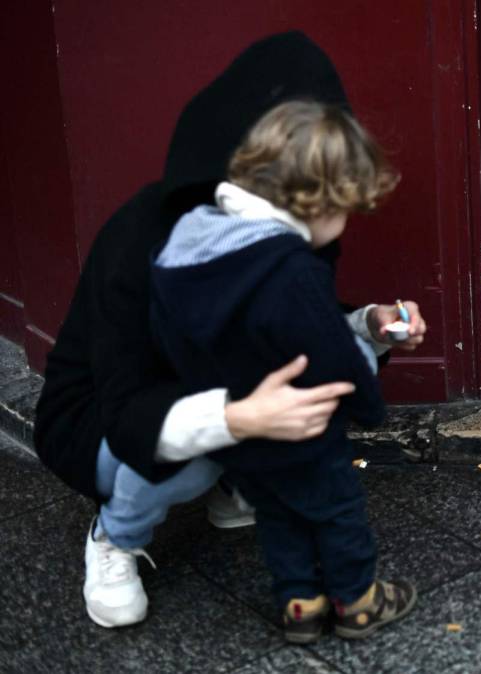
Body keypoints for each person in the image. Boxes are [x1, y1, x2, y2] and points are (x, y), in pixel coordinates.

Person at [32, 32, 426, 630]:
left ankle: (237, 478)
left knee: (284, 431)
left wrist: (370, 325)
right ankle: (115, 531)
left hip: (213, 383)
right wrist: (241, 421)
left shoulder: (280, 218)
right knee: (210, 456)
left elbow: (296, 324)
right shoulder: (147, 234)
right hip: (103, 418)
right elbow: (128, 403)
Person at [150, 100, 416, 643]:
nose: (343, 227)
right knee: (337, 511)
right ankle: (357, 600)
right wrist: (370, 406)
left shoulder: (193, 240)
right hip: (303, 424)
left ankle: (300, 604)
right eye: (345, 211)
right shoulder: (290, 269)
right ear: (320, 200)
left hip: (238, 426)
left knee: (276, 515)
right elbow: (332, 352)